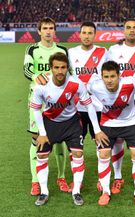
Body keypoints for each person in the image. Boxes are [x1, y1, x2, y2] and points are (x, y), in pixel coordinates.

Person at [30, 52, 108, 206]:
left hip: (72, 122)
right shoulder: (41, 86)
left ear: (68, 68)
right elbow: (36, 109)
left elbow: (89, 105)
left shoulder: (76, 83)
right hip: (50, 122)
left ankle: (76, 191)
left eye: (63, 67)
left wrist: (97, 129)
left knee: (78, 154)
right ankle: (44, 192)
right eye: (56, 67)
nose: (60, 71)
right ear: (51, 68)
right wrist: (43, 133)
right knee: (42, 154)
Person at [88, 61, 135, 206]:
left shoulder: (131, 82)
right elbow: (82, 94)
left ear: (119, 76)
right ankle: (105, 191)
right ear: (101, 77)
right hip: (108, 124)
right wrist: (97, 130)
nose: (109, 80)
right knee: (103, 155)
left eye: (113, 76)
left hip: (130, 123)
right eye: (106, 77)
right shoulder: (94, 86)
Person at [23, 17, 70, 196]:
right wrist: (40, 77)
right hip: (37, 101)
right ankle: (35, 181)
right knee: (37, 139)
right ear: (39, 31)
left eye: (51, 28)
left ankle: (61, 177)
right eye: (45, 28)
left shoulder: (62, 49)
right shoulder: (33, 49)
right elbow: (27, 70)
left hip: (58, 101)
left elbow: (69, 71)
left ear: (55, 31)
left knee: (59, 140)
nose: (48, 31)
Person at [107, 18, 135, 195]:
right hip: (118, 102)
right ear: (123, 30)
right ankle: (118, 177)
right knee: (118, 139)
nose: (132, 30)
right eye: (128, 28)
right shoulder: (114, 50)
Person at [68, 21, 107, 191]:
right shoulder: (71, 53)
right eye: (84, 32)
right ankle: (78, 180)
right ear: (79, 34)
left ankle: (102, 180)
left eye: (90, 33)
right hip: (77, 108)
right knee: (76, 147)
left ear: (95, 35)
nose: (86, 36)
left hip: (98, 107)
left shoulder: (103, 52)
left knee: (101, 145)